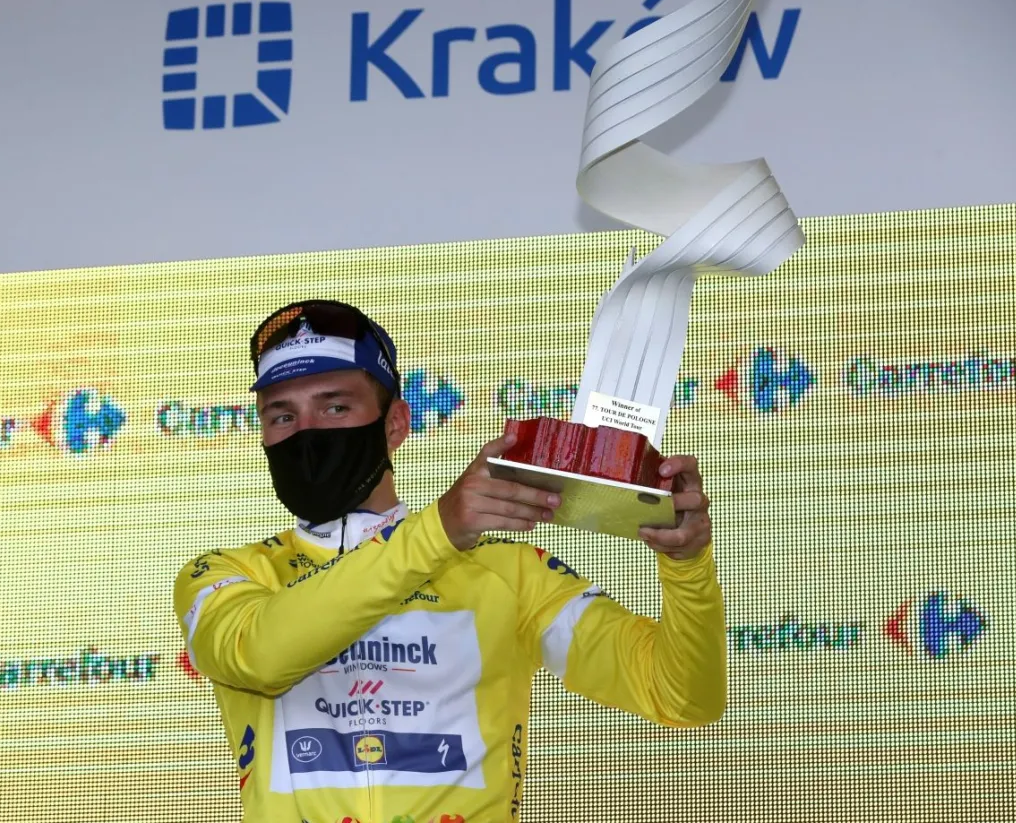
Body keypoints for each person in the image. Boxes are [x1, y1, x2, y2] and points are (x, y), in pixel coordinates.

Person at [174, 299, 726, 823]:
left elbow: (681, 695)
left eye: (336, 406)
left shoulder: (508, 570)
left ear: (394, 424)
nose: (309, 433)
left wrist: (687, 567)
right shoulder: (230, 574)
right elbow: (259, 658)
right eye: (282, 417)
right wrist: (439, 531)